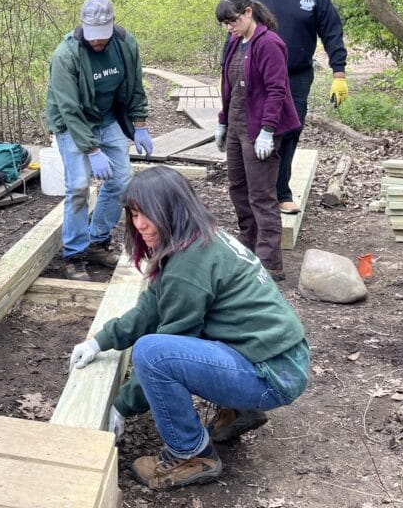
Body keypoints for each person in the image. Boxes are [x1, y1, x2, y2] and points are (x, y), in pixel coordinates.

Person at [69, 166, 310, 491]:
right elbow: (151, 307)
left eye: (147, 214)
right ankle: (238, 410)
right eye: (133, 214)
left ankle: (190, 455)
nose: (139, 225)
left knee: (151, 353)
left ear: (172, 209)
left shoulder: (189, 262)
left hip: (273, 375)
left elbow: (168, 343)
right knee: (178, 342)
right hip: (279, 359)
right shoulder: (198, 238)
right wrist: (99, 342)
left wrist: (121, 405)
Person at [45, 0, 154, 282]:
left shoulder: (125, 44)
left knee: (122, 181)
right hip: (73, 124)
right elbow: (68, 110)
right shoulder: (65, 55)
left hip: (107, 119)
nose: (97, 43)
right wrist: (92, 150)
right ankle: (74, 253)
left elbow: (135, 87)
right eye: (92, 38)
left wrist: (139, 123)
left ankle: (96, 242)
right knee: (79, 186)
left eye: (102, 37)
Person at [249, 0, 348, 214]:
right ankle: (257, 190)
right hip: (259, 78)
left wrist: (338, 73)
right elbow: (236, 35)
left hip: (297, 76)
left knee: (290, 131)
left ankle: (282, 192)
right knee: (258, 130)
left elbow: (332, 34)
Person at [215, 0, 301, 280]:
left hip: (259, 128)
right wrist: (222, 122)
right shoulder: (234, 42)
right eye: (226, 23)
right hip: (237, 125)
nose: (230, 27)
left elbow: (277, 90)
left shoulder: (269, 44)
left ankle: (270, 261)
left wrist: (267, 130)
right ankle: (248, 247)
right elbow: (228, 85)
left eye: (234, 20)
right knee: (238, 189)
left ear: (248, 12)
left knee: (261, 194)